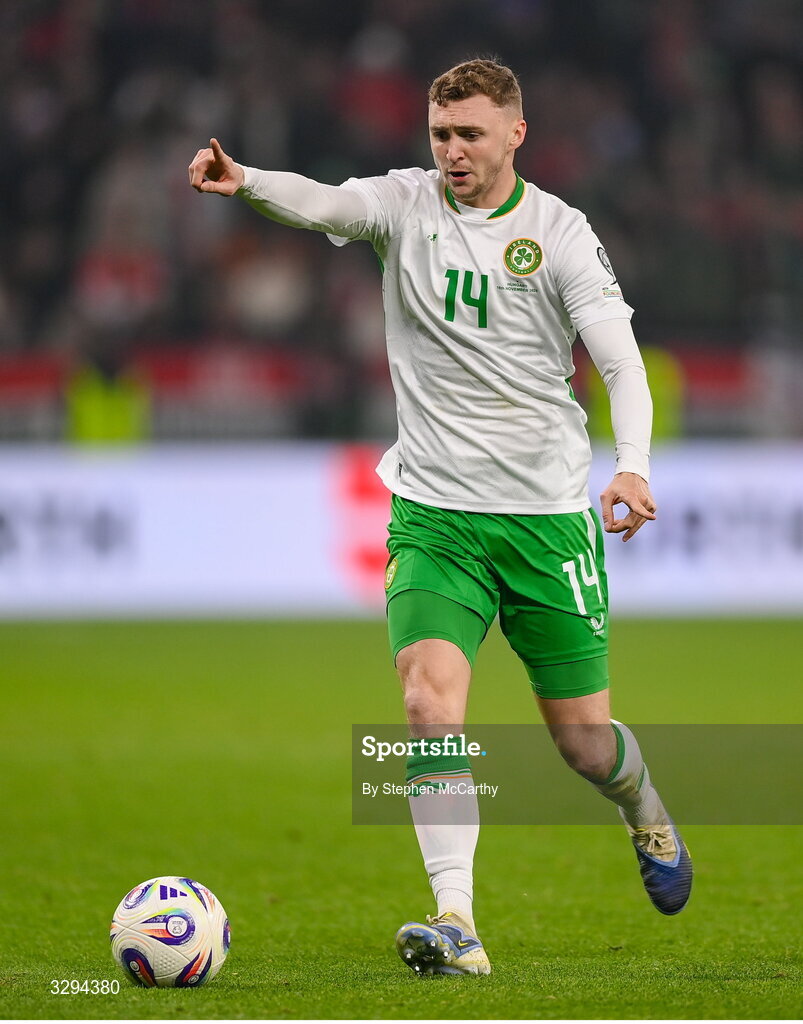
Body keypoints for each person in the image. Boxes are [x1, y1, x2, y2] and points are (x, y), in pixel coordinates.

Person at [189, 57, 692, 978]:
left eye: (468, 134)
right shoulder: (403, 204)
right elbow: (325, 204)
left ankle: (643, 809)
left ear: (514, 134)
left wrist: (631, 468)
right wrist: (247, 181)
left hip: (544, 521)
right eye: (439, 134)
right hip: (435, 515)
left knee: (583, 745)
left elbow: (620, 362)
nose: (452, 151)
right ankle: (455, 920)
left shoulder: (561, 234)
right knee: (427, 704)